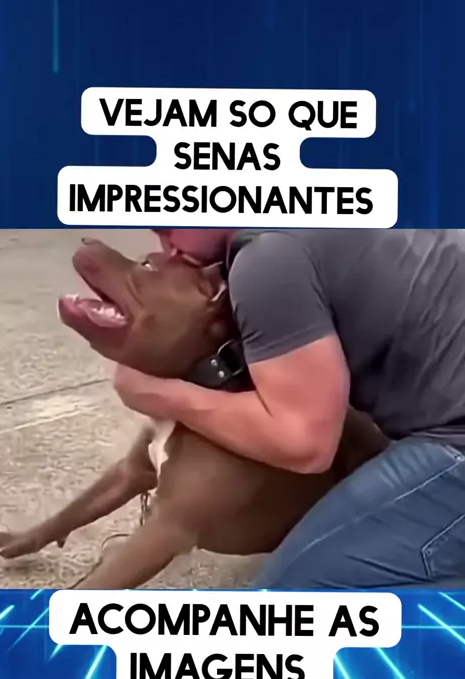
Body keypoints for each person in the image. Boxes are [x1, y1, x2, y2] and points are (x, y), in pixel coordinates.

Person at [113, 228, 465, 589]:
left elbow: (307, 446)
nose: (159, 230)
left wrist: (159, 393)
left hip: (456, 440)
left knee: (288, 601)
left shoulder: (266, 259)